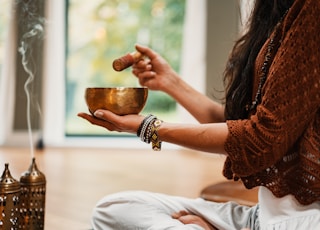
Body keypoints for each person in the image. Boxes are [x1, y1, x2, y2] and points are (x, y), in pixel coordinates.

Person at [78, 0, 320, 229]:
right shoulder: (279, 12)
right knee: (114, 210)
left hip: (303, 221)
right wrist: (170, 82)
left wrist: (147, 127)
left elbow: (262, 138)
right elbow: (237, 127)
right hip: (261, 217)